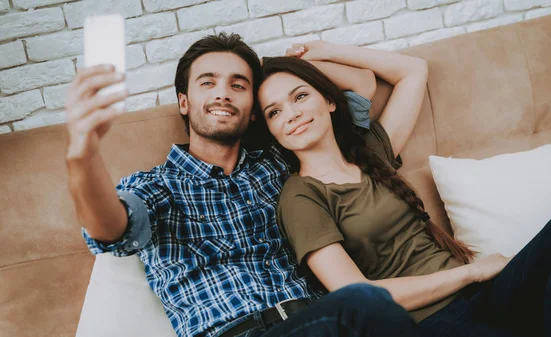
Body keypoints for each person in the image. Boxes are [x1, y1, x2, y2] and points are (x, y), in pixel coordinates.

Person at [65, 32, 422, 337]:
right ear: (184, 103)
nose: (223, 94)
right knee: (369, 305)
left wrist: (285, 63)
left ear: (254, 109)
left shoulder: (285, 162)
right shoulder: (159, 185)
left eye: (238, 85)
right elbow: (110, 227)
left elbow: (361, 88)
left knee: (375, 308)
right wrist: (83, 156)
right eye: (208, 83)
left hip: (316, 321)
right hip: (233, 330)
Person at [257, 40, 551, 337]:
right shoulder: (300, 197)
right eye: (274, 112)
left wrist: (322, 53)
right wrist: (471, 271)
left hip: (487, 294)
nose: (291, 114)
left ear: (330, 102)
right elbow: (355, 294)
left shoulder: (371, 151)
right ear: (272, 131)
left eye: (300, 96)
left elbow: (412, 71)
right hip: (433, 321)